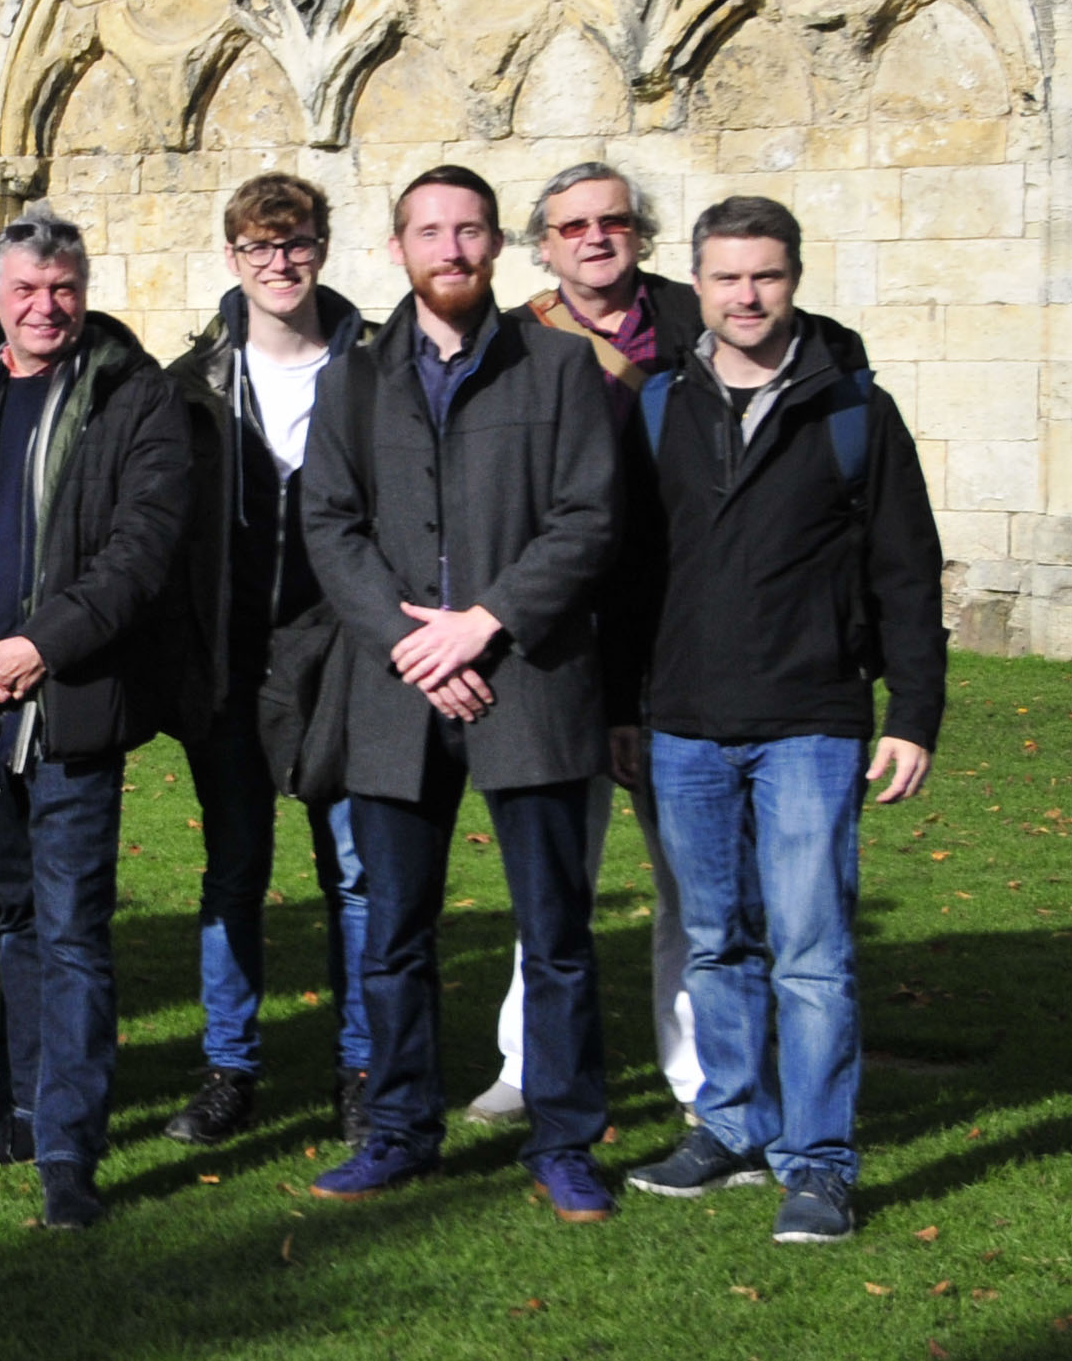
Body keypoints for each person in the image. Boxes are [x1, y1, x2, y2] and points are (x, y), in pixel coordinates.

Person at [297, 166, 621, 1225]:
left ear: (496, 246)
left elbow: (586, 517)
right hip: (395, 696)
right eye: (428, 232)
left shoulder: (563, 369)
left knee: (554, 931)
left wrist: (482, 625)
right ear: (395, 249)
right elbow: (329, 527)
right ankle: (396, 1129)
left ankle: (565, 1139)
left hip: (525, 681)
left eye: (469, 230)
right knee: (391, 930)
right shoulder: (352, 380)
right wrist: (406, 643)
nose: (449, 249)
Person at [622, 197, 947, 1246]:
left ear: (792, 278)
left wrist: (913, 712)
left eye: (762, 275)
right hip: (681, 722)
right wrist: (622, 708)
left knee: (811, 952)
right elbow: (626, 580)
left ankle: (815, 1163)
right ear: (697, 284)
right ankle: (725, 1126)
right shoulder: (656, 406)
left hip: (811, 717)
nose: (744, 295)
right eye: (724, 278)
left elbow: (904, 571)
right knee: (714, 943)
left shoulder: (852, 410)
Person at [0, 210, 192, 1231]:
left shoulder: (132, 395)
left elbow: (138, 553)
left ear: (82, 288)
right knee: (14, 917)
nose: (44, 307)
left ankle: (67, 1151)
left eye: (61, 287)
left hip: (65, 709)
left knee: (70, 931)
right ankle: (19, 1111)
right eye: (23, 290)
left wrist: (38, 648)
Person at [471, 162, 710, 1128]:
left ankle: (702, 1079)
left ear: (642, 234)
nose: (595, 238)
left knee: (692, 882)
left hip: (680, 631)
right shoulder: (518, 341)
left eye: (613, 221)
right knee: (553, 873)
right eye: (572, 227)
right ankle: (529, 1067)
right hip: (558, 636)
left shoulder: (700, 327)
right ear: (544, 244)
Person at [154, 175, 374, 1147]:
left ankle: (364, 1068)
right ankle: (229, 1070)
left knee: (354, 875)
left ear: (320, 249)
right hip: (232, 657)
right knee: (233, 871)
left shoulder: (372, 368)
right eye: (256, 248)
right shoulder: (192, 382)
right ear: (232, 259)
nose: (277, 264)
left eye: (292, 245)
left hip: (344, 655)